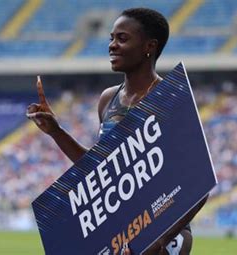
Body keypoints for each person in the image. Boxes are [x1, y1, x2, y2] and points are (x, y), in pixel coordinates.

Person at [26, 7, 208, 255]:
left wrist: (158, 241)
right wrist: (56, 131)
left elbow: (199, 186)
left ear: (149, 46)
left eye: (122, 38)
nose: (112, 45)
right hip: (120, 231)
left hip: (166, 233)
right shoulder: (108, 99)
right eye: (111, 38)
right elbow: (100, 173)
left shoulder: (170, 99)